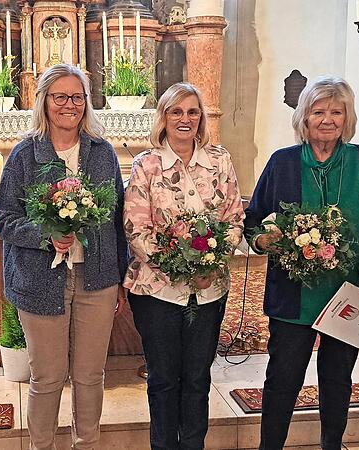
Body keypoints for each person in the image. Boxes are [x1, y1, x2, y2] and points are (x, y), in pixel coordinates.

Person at [243, 76, 359, 450]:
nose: (328, 119)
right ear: (304, 118)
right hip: (294, 297)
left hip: (352, 294)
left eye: (337, 112)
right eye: (318, 111)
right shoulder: (283, 162)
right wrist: (262, 240)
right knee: (283, 380)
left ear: (347, 118)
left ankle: (332, 445)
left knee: (338, 379)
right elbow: (253, 219)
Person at [0, 63, 128, 450]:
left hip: (96, 278)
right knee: (47, 377)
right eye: (60, 97)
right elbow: (2, 217)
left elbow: (116, 218)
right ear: (44, 102)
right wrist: (45, 235)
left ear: (86, 103)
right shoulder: (24, 154)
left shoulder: (101, 153)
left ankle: (86, 443)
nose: (69, 105)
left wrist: (118, 277)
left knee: (90, 374)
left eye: (77, 97)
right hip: (39, 280)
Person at [123, 82, 244, 449]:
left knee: (197, 377)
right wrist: (180, 267)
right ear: (163, 118)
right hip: (156, 291)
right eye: (176, 111)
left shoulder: (220, 160)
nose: (185, 119)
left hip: (210, 291)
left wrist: (212, 261)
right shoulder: (147, 164)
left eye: (192, 112)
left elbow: (235, 218)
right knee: (162, 378)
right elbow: (135, 227)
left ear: (201, 118)